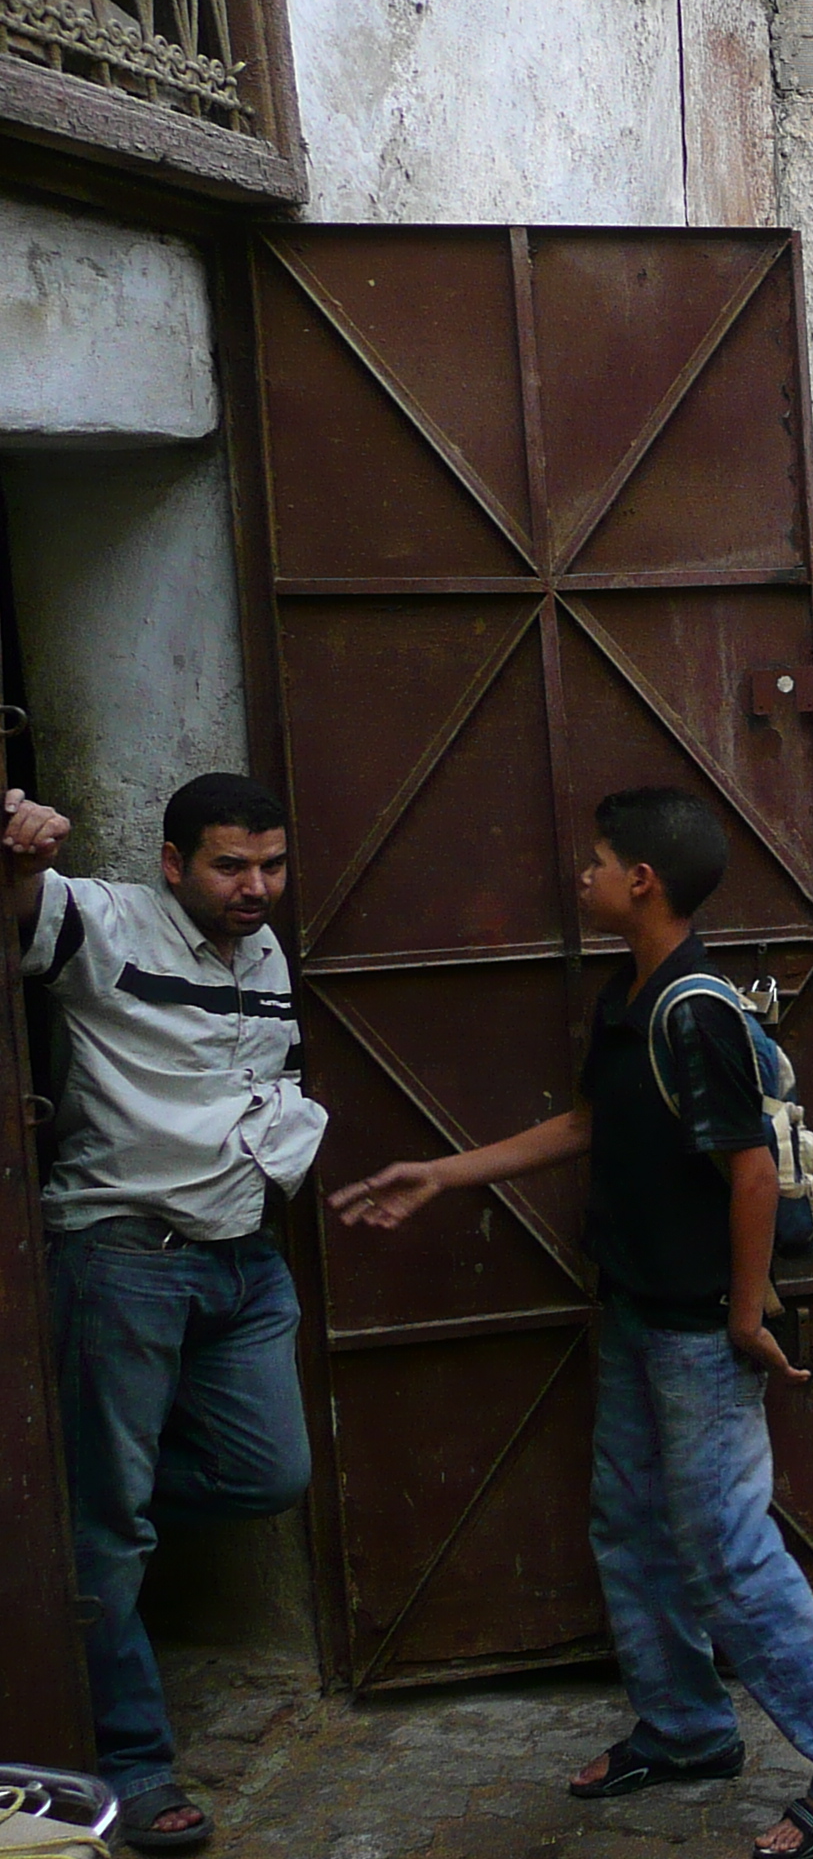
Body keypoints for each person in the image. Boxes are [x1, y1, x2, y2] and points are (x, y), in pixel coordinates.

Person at [332, 789, 813, 1859]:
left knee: (730, 1553)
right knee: (633, 1523)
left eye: (598, 861)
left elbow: (747, 1169)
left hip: (701, 1327)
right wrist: (441, 1173)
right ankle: (689, 1726)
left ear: (642, 878)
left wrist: (745, 1315)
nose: (583, 874)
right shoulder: (632, 992)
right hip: (639, 1308)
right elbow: (585, 1123)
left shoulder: (695, 1008)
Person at [8, 775, 319, 1855]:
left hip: (244, 1267)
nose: (257, 886)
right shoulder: (105, 916)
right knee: (111, 1523)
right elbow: (19, 910)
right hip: (125, 1261)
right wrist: (16, 852)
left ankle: (73, 1527)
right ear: (175, 860)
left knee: (268, 1472)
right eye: (232, 865)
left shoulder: (267, 951)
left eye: (272, 864)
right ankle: (135, 1765)